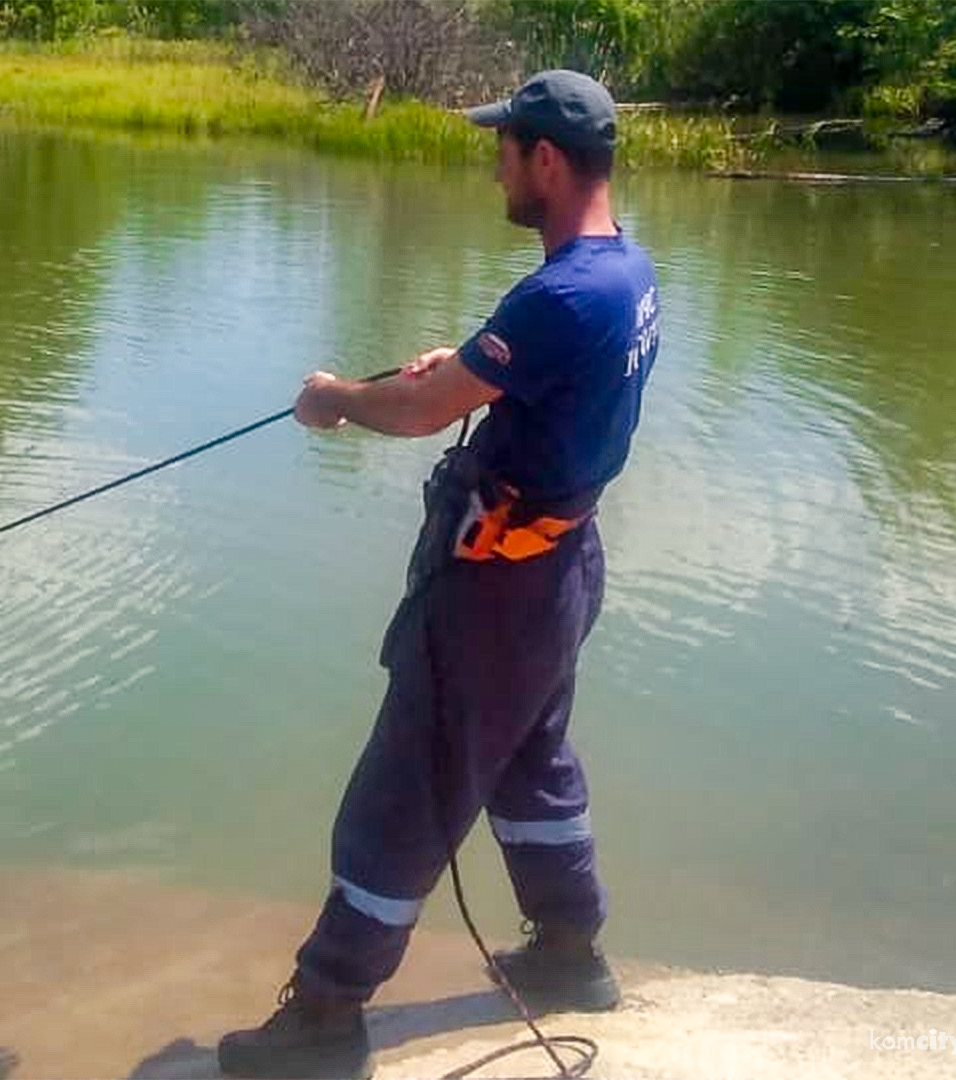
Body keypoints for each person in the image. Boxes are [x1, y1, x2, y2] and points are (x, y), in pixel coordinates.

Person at [216, 70, 661, 1080]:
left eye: (504, 146)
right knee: (530, 763)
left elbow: (419, 413)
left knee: (405, 789)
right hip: (559, 568)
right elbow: (530, 382)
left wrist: (335, 399)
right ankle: (568, 953)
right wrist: (466, 367)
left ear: (545, 160)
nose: (494, 161)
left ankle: (327, 1011)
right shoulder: (627, 273)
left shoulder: (558, 295)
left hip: (497, 593)